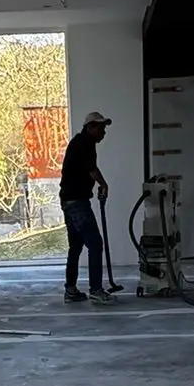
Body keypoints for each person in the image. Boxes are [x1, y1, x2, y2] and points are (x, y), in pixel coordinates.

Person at [59, 110, 114, 304]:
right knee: (95, 243)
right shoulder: (83, 144)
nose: (104, 133)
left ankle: (71, 290)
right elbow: (92, 169)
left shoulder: (82, 143)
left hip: (69, 200)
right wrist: (104, 184)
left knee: (75, 246)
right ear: (90, 127)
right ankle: (96, 290)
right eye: (101, 128)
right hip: (76, 202)